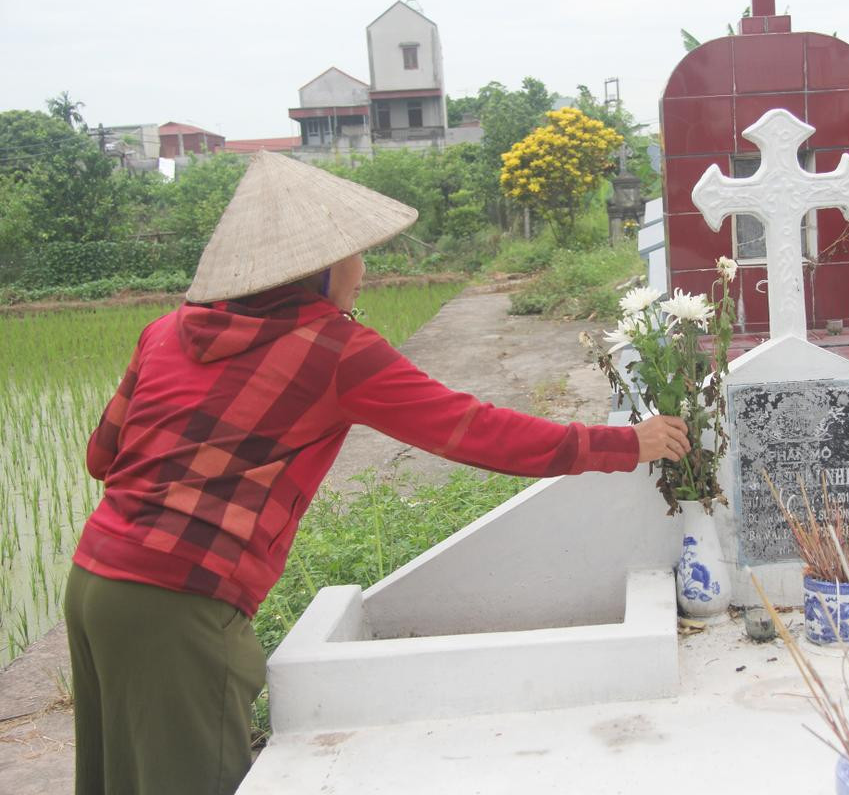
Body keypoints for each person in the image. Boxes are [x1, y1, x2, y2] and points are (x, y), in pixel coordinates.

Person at [65, 151, 689, 795]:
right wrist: (623, 443)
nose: (363, 273)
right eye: (357, 256)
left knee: (112, 779)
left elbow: (101, 459)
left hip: (93, 586)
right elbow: (470, 431)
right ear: (318, 270)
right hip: (180, 605)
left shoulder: (163, 331)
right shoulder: (334, 349)